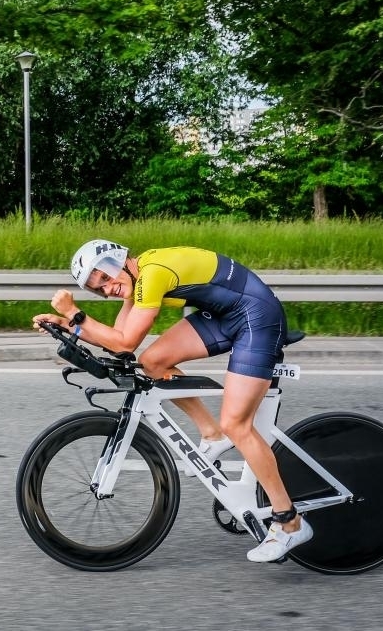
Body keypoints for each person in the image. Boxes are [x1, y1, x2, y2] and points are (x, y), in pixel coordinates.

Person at [31, 239, 313, 563]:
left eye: (105, 278)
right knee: (154, 362)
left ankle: (289, 522)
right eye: (98, 289)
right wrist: (67, 324)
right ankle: (211, 433)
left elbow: (125, 342)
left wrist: (73, 313)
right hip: (223, 314)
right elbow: (118, 344)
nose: (107, 290)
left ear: (119, 261)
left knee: (237, 424)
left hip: (255, 316)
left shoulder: (152, 275)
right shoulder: (137, 281)